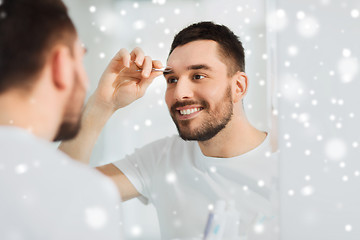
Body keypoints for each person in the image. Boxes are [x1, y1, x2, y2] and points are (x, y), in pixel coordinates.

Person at [60, 22, 279, 239]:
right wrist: (102, 104)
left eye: (198, 76)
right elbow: (60, 192)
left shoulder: (287, 170)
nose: (179, 93)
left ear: (238, 87)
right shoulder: (161, 160)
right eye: (172, 79)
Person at [0, 0, 162, 239]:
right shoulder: (86, 197)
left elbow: (51, 189)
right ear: (61, 64)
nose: (86, 80)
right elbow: (59, 193)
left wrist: (102, 105)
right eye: (80, 57)